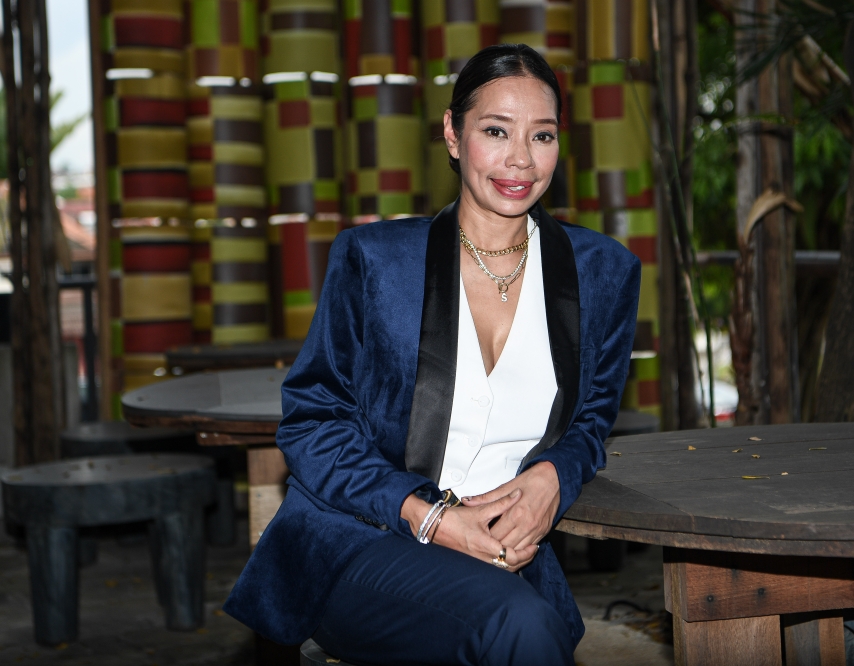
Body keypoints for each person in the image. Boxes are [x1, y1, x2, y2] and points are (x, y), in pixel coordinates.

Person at [224, 43, 641, 666]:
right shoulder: (377, 261)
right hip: (363, 540)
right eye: (495, 131)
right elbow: (312, 424)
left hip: (504, 557)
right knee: (520, 627)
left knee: (519, 623)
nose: (521, 160)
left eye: (543, 136)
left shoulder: (603, 271)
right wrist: (431, 520)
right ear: (452, 134)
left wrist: (553, 477)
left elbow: (592, 420)